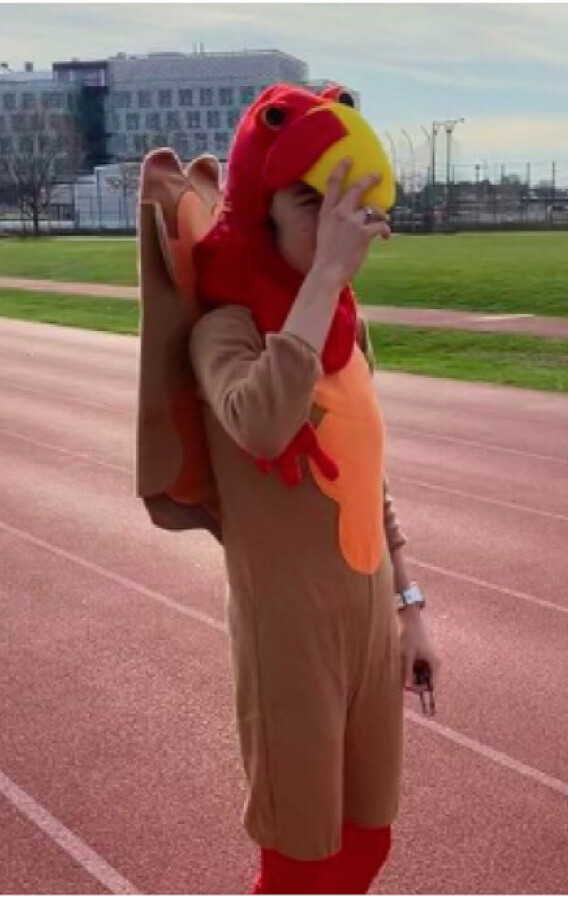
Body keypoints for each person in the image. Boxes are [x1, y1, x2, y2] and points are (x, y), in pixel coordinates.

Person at [136, 83, 440, 894]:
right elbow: (263, 424)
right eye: (311, 203)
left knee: (368, 842)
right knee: (299, 862)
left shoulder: (346, 328)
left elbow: (369, 481)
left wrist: (410, 610)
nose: (336, 223)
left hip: (369, 623)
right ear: (262, 211)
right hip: (289, 638)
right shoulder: (225, 330)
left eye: (347, 205)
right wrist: (326, 276)